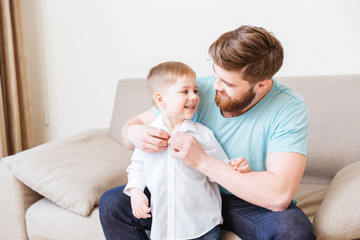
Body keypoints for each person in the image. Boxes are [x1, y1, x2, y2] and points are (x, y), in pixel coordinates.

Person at [99, 25, 316, 239]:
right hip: (189, 190)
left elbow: (278, 195)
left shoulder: (289, 108)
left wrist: (201, 161)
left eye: (227, 83)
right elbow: (132, 127)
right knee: (113, 203)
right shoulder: (195, 92)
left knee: (293, 230)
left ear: (261, 85)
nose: (215, 86)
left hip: (247, 200)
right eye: (216, 74)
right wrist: (134, 133)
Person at [104, 61, 249, 240]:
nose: (194, 96)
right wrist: (136, 192)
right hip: (165, 227)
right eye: (185, 91)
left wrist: (235, 166)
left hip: (203, 226)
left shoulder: (202, 134)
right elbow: (137, 167)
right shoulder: (149, 136)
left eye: (195, 91)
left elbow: (219, 169)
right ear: (160, 99)